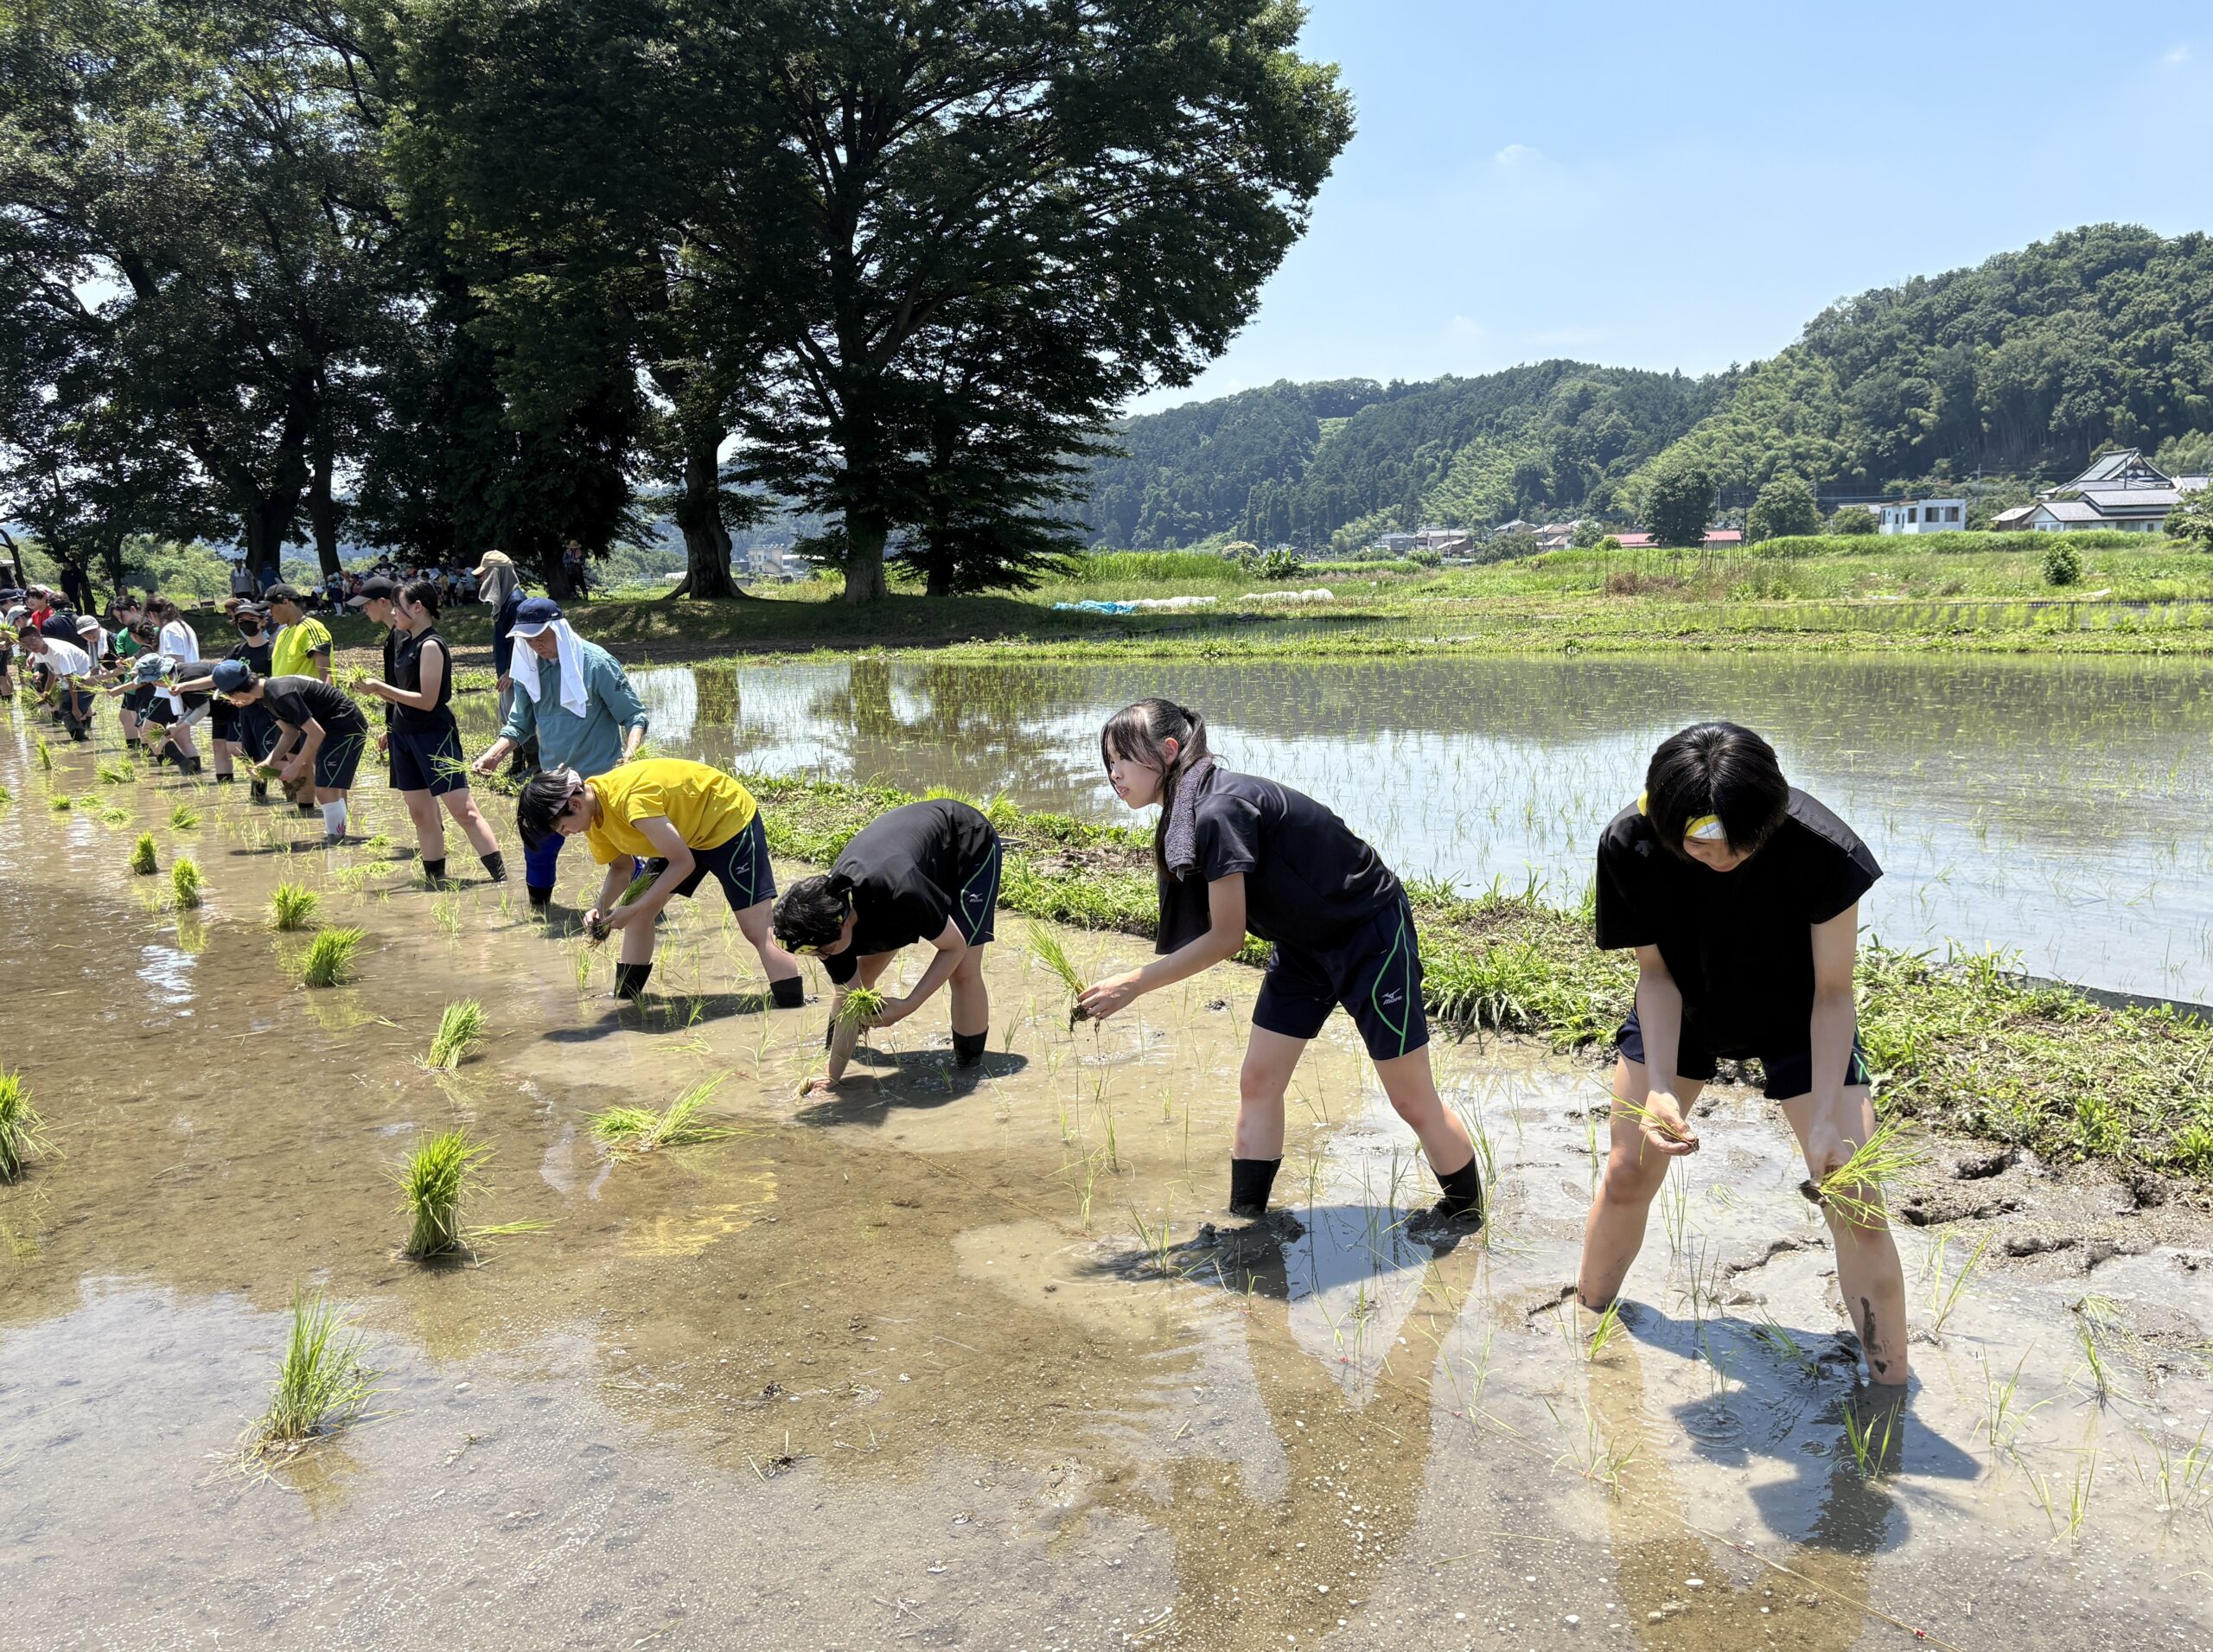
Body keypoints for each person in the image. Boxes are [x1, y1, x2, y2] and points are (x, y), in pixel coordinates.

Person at [1575, 721, 1904, 1387]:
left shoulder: (1821, 847)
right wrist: (1659, 1085)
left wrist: (1824, 1120)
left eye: (1738, 845)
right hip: (1686, 1000)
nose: (1719, 858)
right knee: (1628, 1169)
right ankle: (1584, 1326)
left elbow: (1834, 993)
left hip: (1801, 1014)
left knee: (1856, 1198)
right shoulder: (1631, 842)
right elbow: (1656, 976)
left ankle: (1892, 1391)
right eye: (1699, 845)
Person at [1073, 700, 1485, 1228]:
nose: (1114, 774)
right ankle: (1247, 1221)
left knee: (1411, 1100)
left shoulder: (1218, 811)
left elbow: (1226, 937)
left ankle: (1466, 1218)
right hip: (1302, 944)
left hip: (1367, 935)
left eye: (1123, 759)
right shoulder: (1191, 810)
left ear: (1169, 751)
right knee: (1259, 1080)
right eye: (1108, 762)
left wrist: (1133, 983)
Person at [514, 758, 803, 1005]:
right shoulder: (592, 817)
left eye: (562, 827)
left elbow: (683, 863)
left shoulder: (630, 800)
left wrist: (632, 908)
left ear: (575, 804)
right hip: (679, 832)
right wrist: (600, 906)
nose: (564, 834)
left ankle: (792, 1007)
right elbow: (621, 868)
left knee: (756, 929)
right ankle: (624, 1003)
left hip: (726, 820)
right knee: (639, 917)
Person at [772, 799, 1003, 1091]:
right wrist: (831, 1078)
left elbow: (953, 947)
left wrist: (908, 1005)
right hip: (905, 869)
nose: (823, 958)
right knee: (861, 978)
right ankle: (831, 1058)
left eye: (824, 951)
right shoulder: (826, 920)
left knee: (963, 969)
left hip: (966, 846)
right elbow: (848, 997)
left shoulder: (899, 890)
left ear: (844, 923)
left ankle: (968, 1074)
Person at [470, 597, 647, 912]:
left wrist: (631, 754)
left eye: (541, 637)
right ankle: (541, 913)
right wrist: (494, 755)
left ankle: (649, 913)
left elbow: (634, 716)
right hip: (555, 784)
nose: (536, 645)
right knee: (537, 844)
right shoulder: (529, 670)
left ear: (559, 629)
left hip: (600, 786)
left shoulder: (596, 664)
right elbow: (519, 724)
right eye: (528, 640)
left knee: (624, 856)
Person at [356, 579, 507, 885]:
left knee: (463, 811)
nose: (393, 613)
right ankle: (435, 881)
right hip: (404, 735)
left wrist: (380, 687)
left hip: (434, 736)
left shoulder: (431, 645)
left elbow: (427, 701)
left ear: (417, 607)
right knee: (421, 815)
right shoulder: (403, 641)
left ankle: (501, 880)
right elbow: (403, 694)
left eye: (398, 607)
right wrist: (378, 699)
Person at [210, 662, 369, 843]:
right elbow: (290, 732)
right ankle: (338, 838)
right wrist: (268, 762)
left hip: (345, 726)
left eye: (228, 696)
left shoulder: (280, 694)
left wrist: (296, 765)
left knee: (325, 789)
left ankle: (336, 840)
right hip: (328, 727)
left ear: (236, 692)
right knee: (328, 787)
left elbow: (316, 734)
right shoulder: (265, 696)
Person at [202, 603, 278, 794]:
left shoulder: (273, 650)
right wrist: (185, 686)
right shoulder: (237, 651)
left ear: (262, 622)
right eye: (241, 621)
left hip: (267, 712)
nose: (246, 624)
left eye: (251, 620)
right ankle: (258, 796)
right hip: (243, 712)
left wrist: (253, 697)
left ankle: (293, 788)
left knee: (274, 756)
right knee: (248, 755)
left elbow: (277, 682)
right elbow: (220, 676)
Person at [14, 621, 95, 739]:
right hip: (74, 680)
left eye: (33, 641)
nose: (31, 646)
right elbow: (52, 670)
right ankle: (86, 733)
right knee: (66, 709)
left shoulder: (59, 653)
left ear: (41, 637)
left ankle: (81, 740)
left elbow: (71, 680)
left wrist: (75, 707)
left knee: (68, 711)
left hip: (88, 678)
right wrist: (46, 691)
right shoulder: (39, 649)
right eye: (26, 644)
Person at [265, 586, 333, 683]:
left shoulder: (310, 628)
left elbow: (326, 674)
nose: (270, 613)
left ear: (285, 602)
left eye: (271, 607)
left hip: (308, 693)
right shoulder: (282, 633)